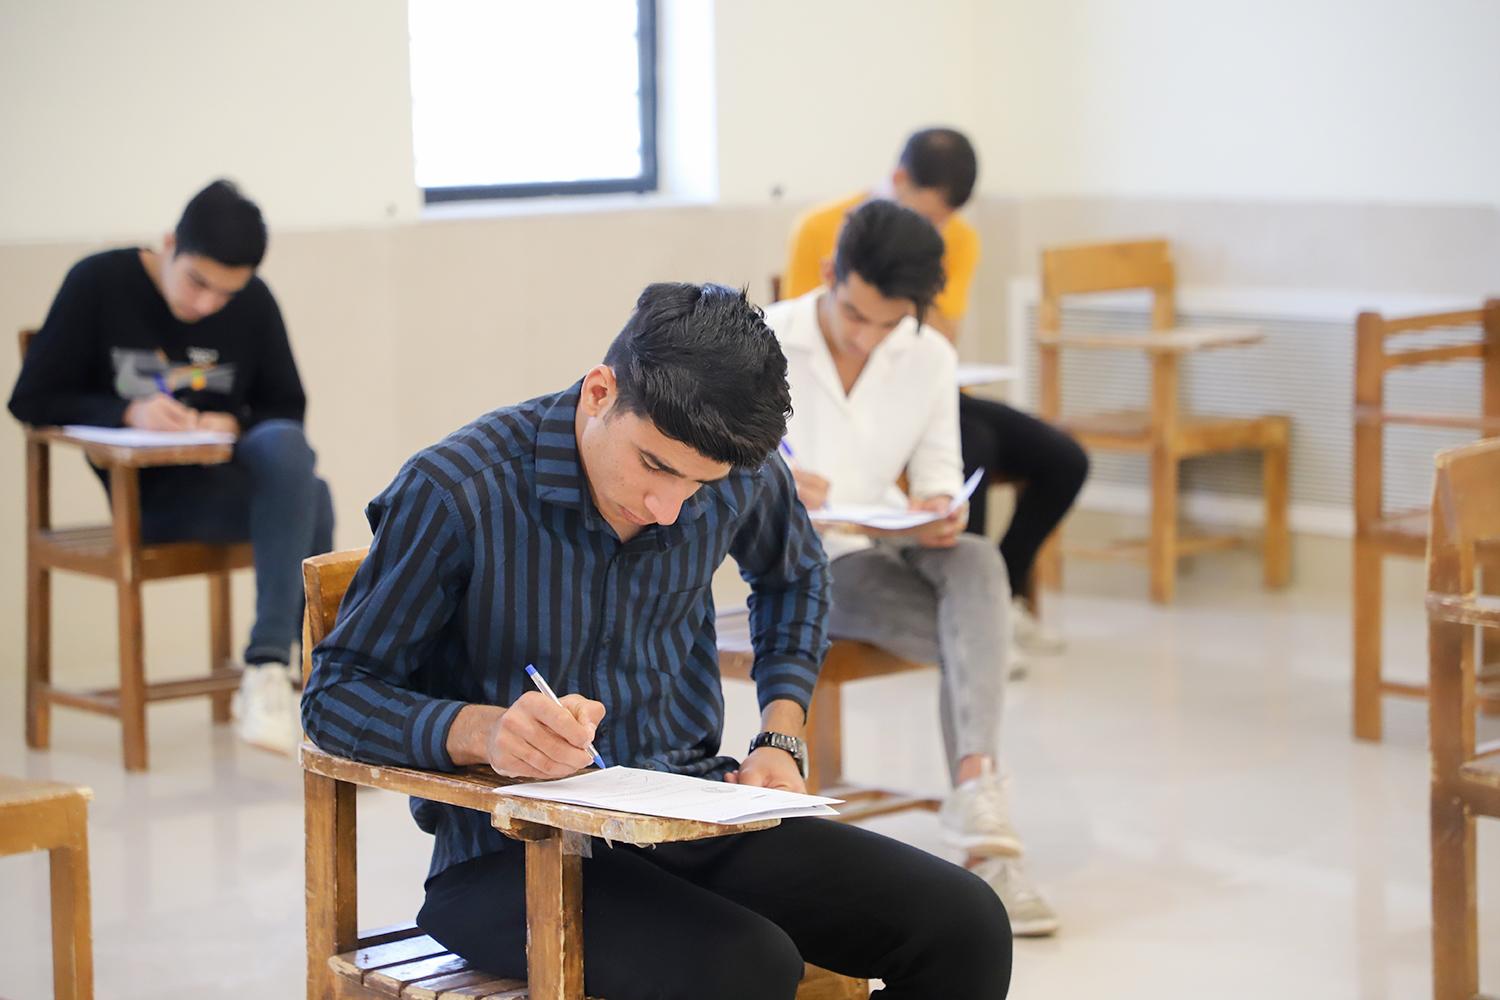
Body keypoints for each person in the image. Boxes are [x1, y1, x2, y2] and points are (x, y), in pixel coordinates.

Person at [301, 283, 1012, 999]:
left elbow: (796, 577)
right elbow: (335, 695)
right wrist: (483, 732)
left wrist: (781, 732)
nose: (668, 508)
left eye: (699, 485)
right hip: (507, 856)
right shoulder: (458, 490)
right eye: (655, 466)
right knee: (745, 963)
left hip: (691, 812)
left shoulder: (737, 467)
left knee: (965, 924)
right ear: (600, 393)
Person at [766, 199, 1059, 936]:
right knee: (978, 634)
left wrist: (937, 506)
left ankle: (974, 791)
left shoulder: (927, 355)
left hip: (890, 541)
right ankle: (989, 848)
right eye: (855, 314)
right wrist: (770, 480)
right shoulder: (765, 341)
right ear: (830, 272)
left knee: (977, 558)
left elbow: (938, 474)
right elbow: (715, 475)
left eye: (889, 322)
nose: (867, 336)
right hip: (808, 564)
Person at [9, 179, 334, 754]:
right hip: (150, 501)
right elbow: (32, 398)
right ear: (168, 244)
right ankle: (307, 686)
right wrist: (127, 411)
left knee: (290, 454)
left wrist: (232, 423)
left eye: (225, 294)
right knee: (314, 497)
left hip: (230, 483)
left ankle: (268, 669)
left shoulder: (255, 303)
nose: (206, 304)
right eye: (196, 283)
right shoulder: (99, 284)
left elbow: (286, 407)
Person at [784, 127, 1088, 656]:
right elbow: (813, 325)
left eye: (943, 221)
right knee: (978, 444)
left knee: (1059, 457)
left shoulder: (957, 241)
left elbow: (939, 336)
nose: (937, 229)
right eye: (928, 216)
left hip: (919, 376)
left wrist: (939, 500)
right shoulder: (821, 228)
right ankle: (984, 621)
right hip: (838, 389)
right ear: (899, 180)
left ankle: (1001, 596)